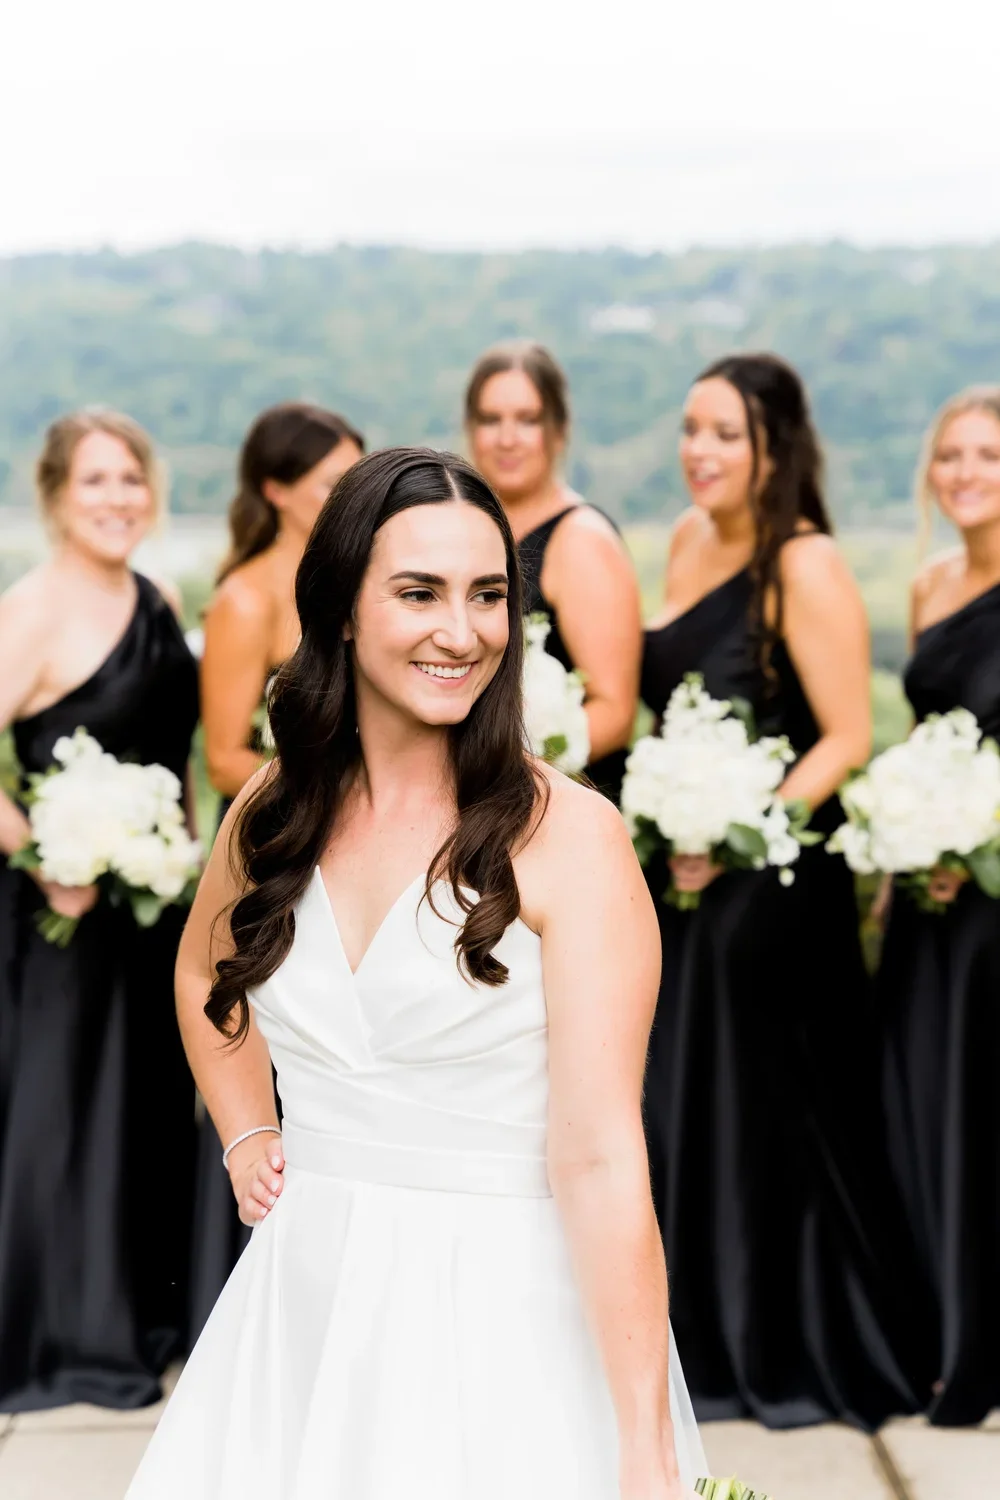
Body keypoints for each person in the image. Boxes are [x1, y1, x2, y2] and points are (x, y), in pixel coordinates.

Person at [125, 447, 706, 1499]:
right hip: (297, 1312)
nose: (462, 630)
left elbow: (600, 1156)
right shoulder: (274, 807)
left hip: (500, 1328)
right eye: (418, 592)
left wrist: (645, 1444)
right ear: (343, 609)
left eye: (487, 594)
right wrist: (247, 1128)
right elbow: (204, 975)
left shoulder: (571, 837)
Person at [639, 353, 935, 1430]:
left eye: (726, 433)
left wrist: (734, 830)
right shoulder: (684, 540)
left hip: (775, 880)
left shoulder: (803, 562)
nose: (700, 451)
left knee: (760, 1110)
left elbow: (846, 736)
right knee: (672, 1097)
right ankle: (683, 1333)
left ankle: (775, 1335)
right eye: (691, 429)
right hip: (680, 876)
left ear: (775, 449)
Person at [0, 411, 199, 1410]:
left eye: (131, 478)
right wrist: (45, 856)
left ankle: (140, 1318)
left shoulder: (160, 600)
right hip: (64, 918)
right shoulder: (29, 611)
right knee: (64, 1119)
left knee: (146, 1116)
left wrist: (191, 858)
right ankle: (60, 1335)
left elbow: (176, 756)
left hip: (154, 912)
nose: (118, 498)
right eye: (95, 481)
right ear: (54, 496)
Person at [189, 401, 364, 1342]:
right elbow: (222, 752)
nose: (345, 496)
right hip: (277, 850)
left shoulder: (353, 588)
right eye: (329, 481)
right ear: (275, 490)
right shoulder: (247, 599)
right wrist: (313, 783)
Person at [877, 386, 1000, 1426]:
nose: (965, 474)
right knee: (924, 1107)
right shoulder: (928, 586)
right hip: (928, 899)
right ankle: (947, 1339)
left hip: (994, 904)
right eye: (951, 456)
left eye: (988, 456)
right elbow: (925, 739)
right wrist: (908, 845)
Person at [465, 341, 641, 801]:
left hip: (559, 802)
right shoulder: (468, 531)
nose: (507, 438)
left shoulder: (581, 540)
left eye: (527, 420)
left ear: (558, 431)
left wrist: (509, 770)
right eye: (491, 420)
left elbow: (615, 714)